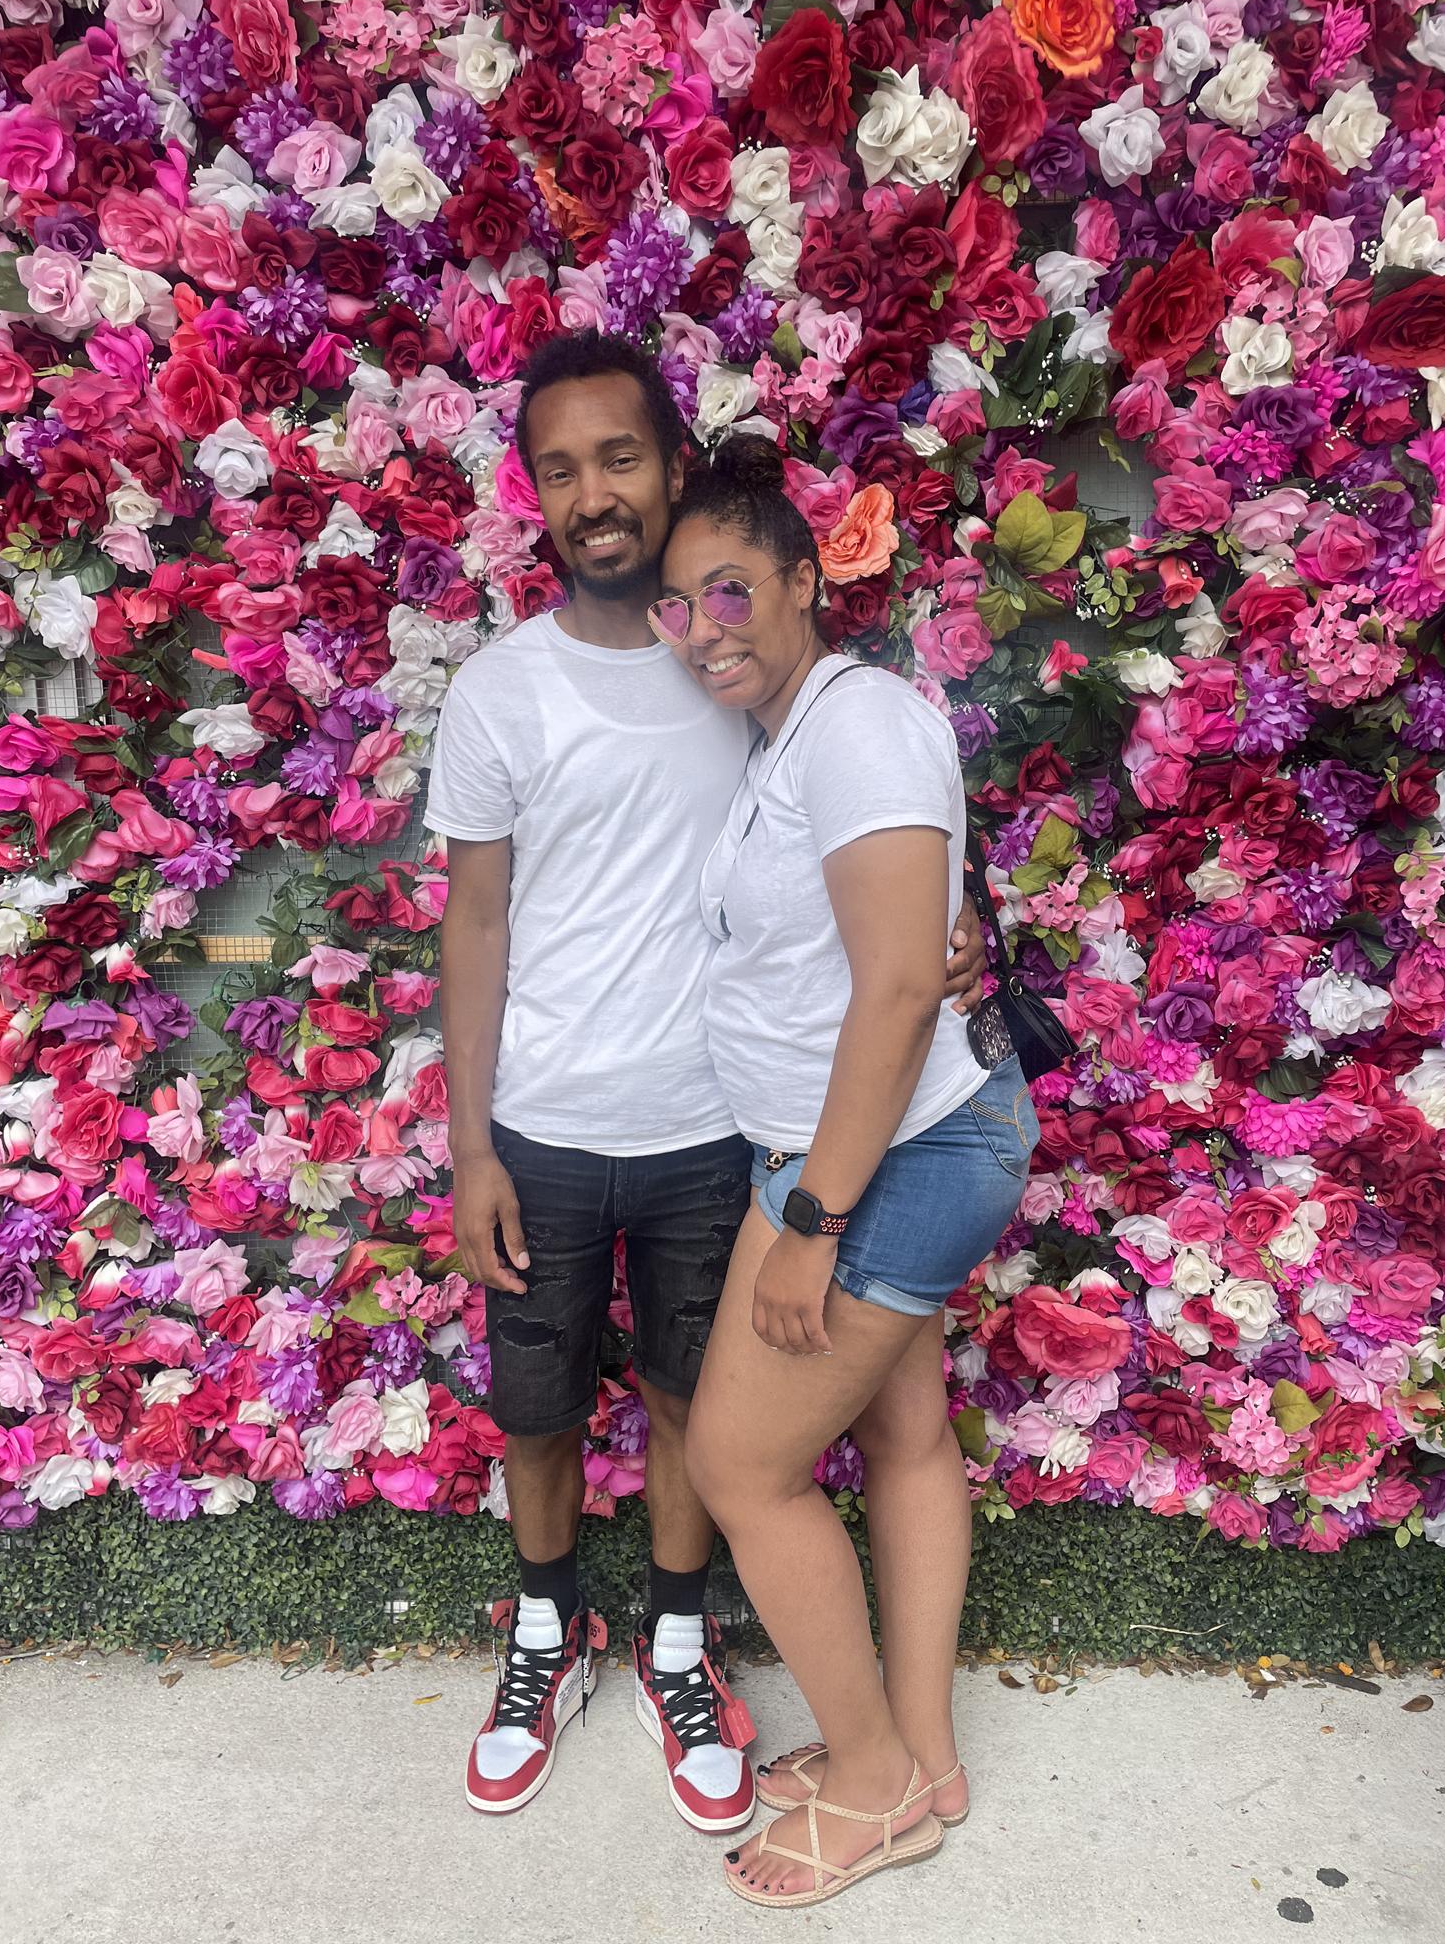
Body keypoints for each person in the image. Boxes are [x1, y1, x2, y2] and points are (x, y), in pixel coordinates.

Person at [423, 331, 986, 1832]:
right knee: (537, 1405)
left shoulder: (739, 665)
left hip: (719, 1133)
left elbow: (869, 829)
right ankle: (547, 1631)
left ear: (673, 467)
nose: (593, 494)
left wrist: (957, 919)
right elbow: (474, 922)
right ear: (536, 498)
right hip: (546, 1123)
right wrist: (471, 1149)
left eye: (619, 457)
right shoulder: (507, 691)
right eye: (560, 470)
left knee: (691, 1403)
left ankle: (680, 1642)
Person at [651, 436, 1036, 1908]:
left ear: (806, 581)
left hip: (886, 1160)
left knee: (741, 1467)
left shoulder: (859, 723)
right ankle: (923, 1758)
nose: (705, 627)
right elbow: (883, 947)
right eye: (679, 604)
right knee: (908, 1438)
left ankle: (875, 1787)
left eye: (730, 587)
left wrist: (814, 1219)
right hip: (858, 1146)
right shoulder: (796, 736)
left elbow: (897, 989)